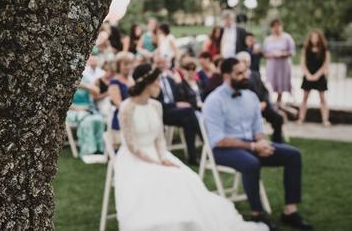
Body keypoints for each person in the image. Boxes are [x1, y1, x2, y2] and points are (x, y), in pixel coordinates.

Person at [115, 63, 268, 231]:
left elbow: (159, 140)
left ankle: (188, 219)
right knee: (158, 180)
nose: (160, 84)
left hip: (158, 154)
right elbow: (131, 145)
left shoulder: (156, 106)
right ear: (147, 83)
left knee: (186, 177)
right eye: (157, 81)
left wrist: (162, 158)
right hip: (135, 157)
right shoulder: (127, 108)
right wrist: (155, 162)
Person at [203, 58, 314, 231]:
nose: (245, 76)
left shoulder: (251, 96)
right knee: (251, 163)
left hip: (251, 144)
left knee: (293, 155)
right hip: (222, 149)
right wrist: (253, 147)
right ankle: (257, 213)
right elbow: (219, 139)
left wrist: (262, 141)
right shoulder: (214, 100)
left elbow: (257, 128)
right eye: (239, 73)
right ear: (226, 76)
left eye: (245, 71)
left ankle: (290, 211)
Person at [154, 54, 201, 164]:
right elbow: (156, 103)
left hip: (174, 111)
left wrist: (178, 83)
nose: (161, 65)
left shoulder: (170, 79)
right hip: (162, 112)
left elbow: (179, 96)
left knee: (188, 120)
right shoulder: (154, 81)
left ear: (166, 64)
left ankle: (192, 156)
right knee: (189, 112)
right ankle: (204, 140)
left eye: (163, 63)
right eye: (158, 63)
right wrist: (176, 105)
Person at [237, 52, 285, 143]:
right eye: (243, 61)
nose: (245, 63)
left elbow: (264, 91)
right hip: (249, 108)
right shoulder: (238, 79)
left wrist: (265, 102)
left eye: (247, 61)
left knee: (278, 118)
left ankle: (277, 141)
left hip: (263, 105)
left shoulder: (255, 74)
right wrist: (256, 105)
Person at [298, 30, 330, 126]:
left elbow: (326, 64)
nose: (314, 39)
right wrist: (308, 75)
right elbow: (302, 64)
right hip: (308, 75)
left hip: (320, 76)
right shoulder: (306, 49)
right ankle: (301, 118)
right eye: (313, 37)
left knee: (322, 98)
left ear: (320, 38)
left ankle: (325, 120)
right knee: (305, 98)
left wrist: (317, 75)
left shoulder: (324, 49)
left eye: (316, 37)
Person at [66, 76, 105, 157]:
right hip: (73, 110)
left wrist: (84, 86)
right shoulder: (65, 80)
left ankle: (99, 149)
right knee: (87, 121)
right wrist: (79, 108)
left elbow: (97, 91)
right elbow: (64, 102)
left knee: (99, 119)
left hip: (88, 108)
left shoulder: (85, 79)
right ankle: (88, 150)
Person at [263, 19, 296, 104]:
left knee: (281, 84)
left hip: (283, 65)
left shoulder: (287, 37)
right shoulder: (268, 39)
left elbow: (292, 52)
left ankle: (279, 101)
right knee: (270, 84)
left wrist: (282, 54)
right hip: (272, 65)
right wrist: (273, 54)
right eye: (274, 26)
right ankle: (270, 102)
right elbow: (264, 54)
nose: (276, 28)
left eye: (278, 26)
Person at [108, 52, 135, 139]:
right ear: (118, 66)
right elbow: (119, 104)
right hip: (122, 116)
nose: (128, 67)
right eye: (125, 64)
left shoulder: (132, 79)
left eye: (130, 64)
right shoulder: (114, 82)